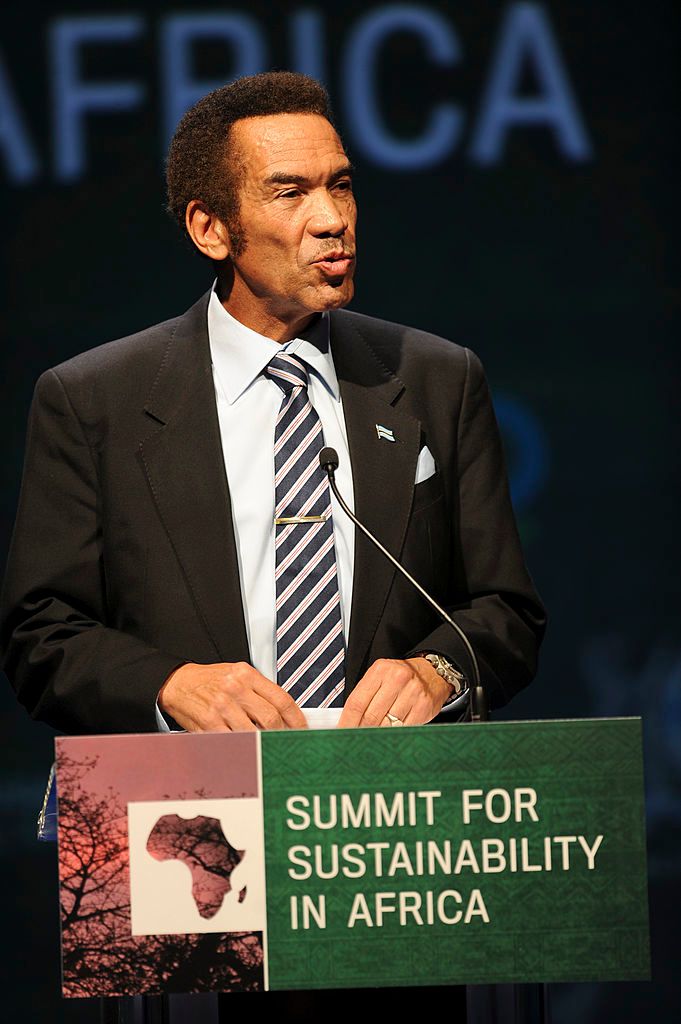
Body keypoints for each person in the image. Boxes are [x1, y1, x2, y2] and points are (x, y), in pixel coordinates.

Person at [0, 71, 545, 736]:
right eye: (289, 193)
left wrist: (440, 670)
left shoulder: (436, 378)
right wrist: (169, 686)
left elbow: (506, 613)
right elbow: (42, 635)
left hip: (393, 799)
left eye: (340, 185)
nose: (332, 219)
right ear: (210, 229)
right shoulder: (93, 401)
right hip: (186, 802)